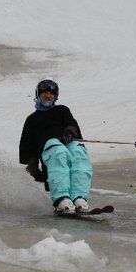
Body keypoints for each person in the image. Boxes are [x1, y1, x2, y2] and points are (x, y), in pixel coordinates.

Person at [19, 79, 93, 214]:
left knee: (78, 150)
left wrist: (68, 133)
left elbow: (73, 128)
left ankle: (79, 197)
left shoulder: (62, 110)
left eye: (51, 93)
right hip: (50, 154)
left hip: (67, 146)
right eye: (44, 93)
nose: (48, 96)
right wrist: (35, 170)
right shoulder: (32, 120)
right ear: (38, 95)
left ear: (56, 96)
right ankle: (61, 199)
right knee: (57, 149)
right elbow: (28, 148)